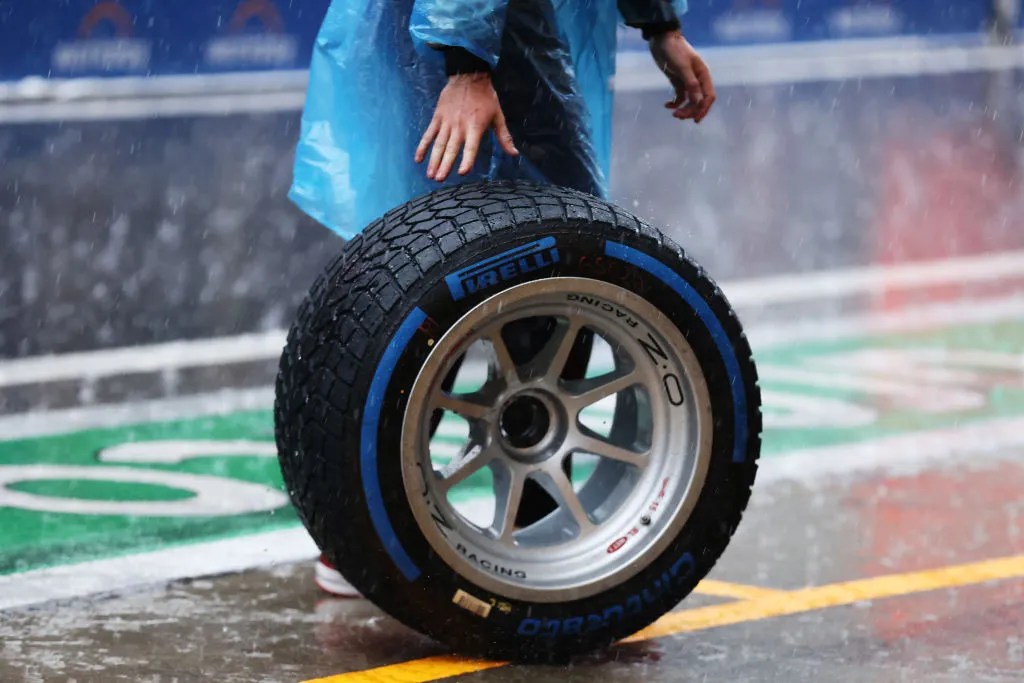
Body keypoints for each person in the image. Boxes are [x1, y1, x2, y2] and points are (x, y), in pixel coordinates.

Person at [291, 0, 716, 597]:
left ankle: (369, 534)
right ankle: (410, 533)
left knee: (445, 261)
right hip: (486, 29)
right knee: (482, 266)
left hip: (498, 28)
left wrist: (659, 23)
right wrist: (466, 62)